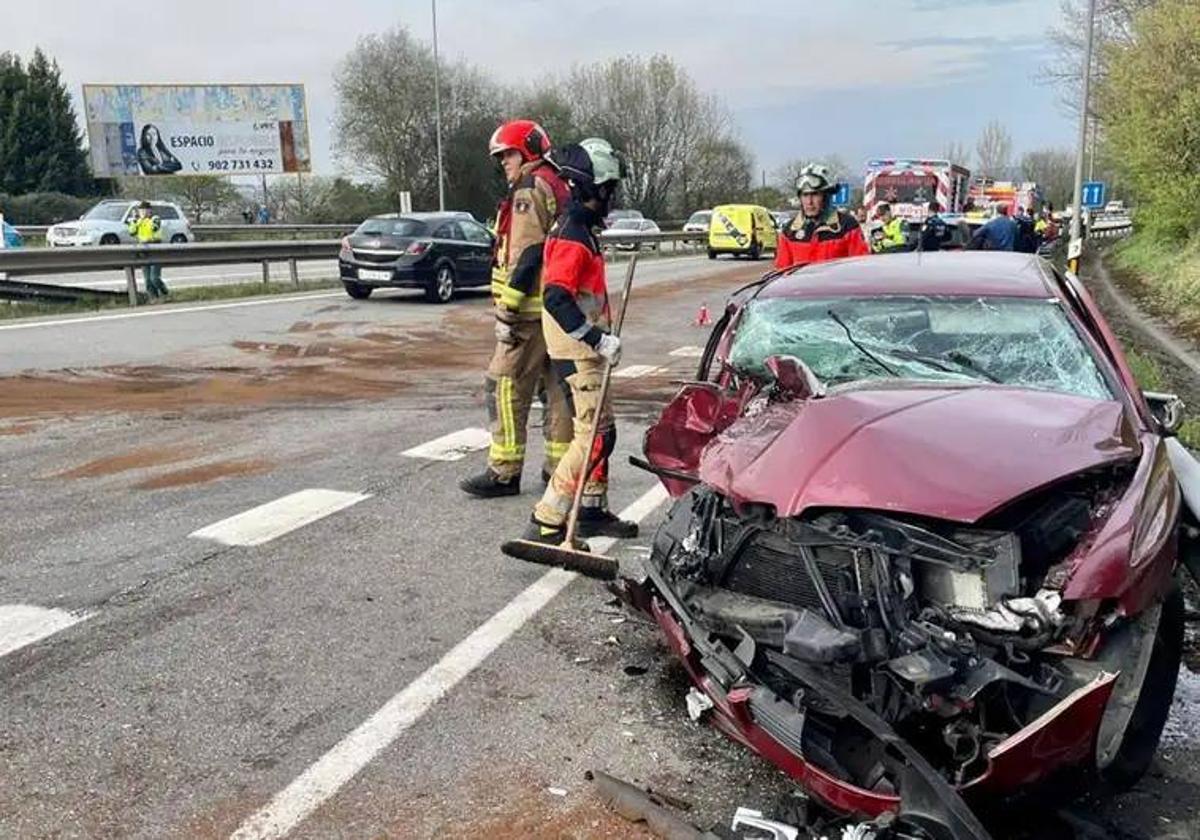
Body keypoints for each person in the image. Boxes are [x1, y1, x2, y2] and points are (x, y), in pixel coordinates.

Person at [518, 137, 637, 546]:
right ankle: (547, 519)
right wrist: (595, 338)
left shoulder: (581, 227)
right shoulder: (572, 232)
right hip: (577, 350)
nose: (611, 197)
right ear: (591, 188)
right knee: (594, 437)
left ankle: (589, 509)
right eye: (608, 190)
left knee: (604, 433)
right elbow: (555, 296)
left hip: (584, 348)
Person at [461, 119, 574, 499]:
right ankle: (559, 469)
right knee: (557, 390)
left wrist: (508, 307)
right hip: (560, 310)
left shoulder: (528, 188)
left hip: (528, 313)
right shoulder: (557, 182)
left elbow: (528, 252)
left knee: (504, 384)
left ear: (527, 149)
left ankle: (504, 472)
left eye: (508, 154)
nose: (503, 163)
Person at [774, 164, 870, 268]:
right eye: (805, 195)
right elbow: (782, 272)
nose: (809, 202)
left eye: (815, 194)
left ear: (826, 196)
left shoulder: (847, 226)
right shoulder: (789, 231)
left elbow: (862, 268)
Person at [127, 201, 169, 299]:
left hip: (155, 249)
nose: (144, 212)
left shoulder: (155, 219)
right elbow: (132, 232)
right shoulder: (137, 221)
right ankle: (154, 298)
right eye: (142, 210)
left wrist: (143, 220)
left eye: (146, 210)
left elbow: (154, 228)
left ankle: (165, 292)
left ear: (150, 211)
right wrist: (135, 221)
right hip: (143, 250)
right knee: (147, 280)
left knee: (154, 278)